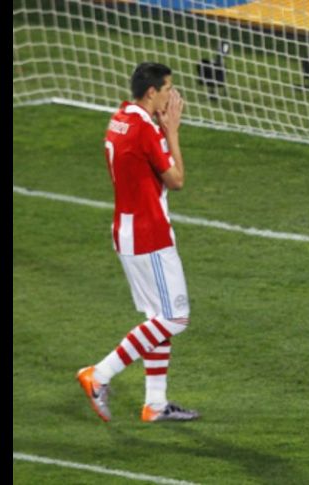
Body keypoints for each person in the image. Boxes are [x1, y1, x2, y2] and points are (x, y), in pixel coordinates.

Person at [76, 62, 199, 423]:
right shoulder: (146, 129)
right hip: (150, 235)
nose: (171, 97)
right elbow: (176, 179)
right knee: (175, 318)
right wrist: (172, 131)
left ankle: (155, 404)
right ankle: (98, 375)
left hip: (127, 230)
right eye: (167, 91)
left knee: (156, 319)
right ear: (151, 93)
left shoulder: (120, 118)